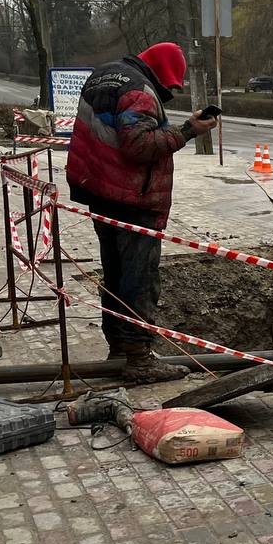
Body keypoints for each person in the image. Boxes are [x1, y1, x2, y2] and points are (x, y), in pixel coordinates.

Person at [66, 42, 217, 383]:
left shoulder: (103, 75)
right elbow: (139, 146)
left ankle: (119, 348)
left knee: (116, 274)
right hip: (133, 199)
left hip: (101, 192)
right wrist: (188, 130)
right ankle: (138, 360)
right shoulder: (140, 91)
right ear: (163, 72)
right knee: (139, 278)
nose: (169, 92)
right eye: (171, 86)